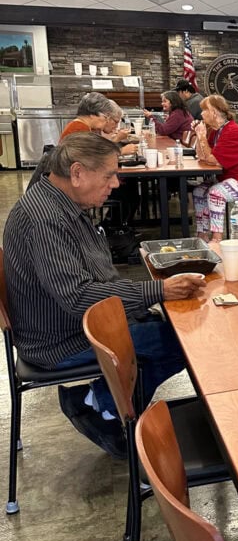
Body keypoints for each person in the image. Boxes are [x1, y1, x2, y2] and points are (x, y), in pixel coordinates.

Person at [3, 134, 205, 458]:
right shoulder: (44, 220)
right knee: (181, 342)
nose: (115, 183)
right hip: (60, 339)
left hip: (69, 324)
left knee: (164, 327)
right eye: (109, 174)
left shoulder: (61, 201)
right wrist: (157, 290)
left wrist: (143, 299)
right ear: (78, 172)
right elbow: (79, 297)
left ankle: (105, 401)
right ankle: (106, 409)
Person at [192, 94, 238, 242]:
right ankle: (202, 234)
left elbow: (211, 158)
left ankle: (216, 238)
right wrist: (199, 135)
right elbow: (202, 156)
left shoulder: (231, 132)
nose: (201, 114)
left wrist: (201, 136)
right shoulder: (216, 130)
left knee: (215, 193)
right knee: (199, 191)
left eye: (204, 110)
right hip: (232, 178)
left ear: (214, 112)